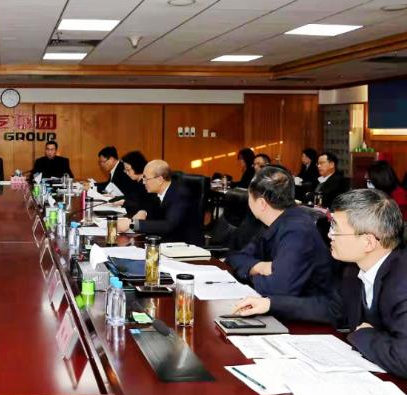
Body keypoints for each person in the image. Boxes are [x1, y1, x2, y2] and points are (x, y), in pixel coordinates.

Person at [236, 189, 407, 378]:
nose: (330, 235)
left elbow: (403, 358)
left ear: (368, 243)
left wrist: (365, 335)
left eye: (336, 229)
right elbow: (333, 309)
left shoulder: (402, 280)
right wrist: (270, 304)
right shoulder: (353, 269)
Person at [226, 166, 336, 322]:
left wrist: (249, 275)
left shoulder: (296, 230)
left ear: (261, 203)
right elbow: (236, 257)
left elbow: (279, 289)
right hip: (282, 309)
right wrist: (259, 267)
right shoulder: (274, 221)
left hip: (309, 317)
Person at [117, 160, 203, 245]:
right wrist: (143, 212)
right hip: (165, 241)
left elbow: (168, 225)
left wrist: (132, 224)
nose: (143, 182)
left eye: (146, 178)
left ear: (160, 179)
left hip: (184, 246)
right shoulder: (158, 192)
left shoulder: (180, 195)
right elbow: (149, 207)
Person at [119, 151, 159, 218]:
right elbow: (132, 197)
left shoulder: (147, 184)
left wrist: (125, 202)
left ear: (136, 166)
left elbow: (142, 205)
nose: (127, 173)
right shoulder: (136, 181)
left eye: (128, 170)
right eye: (125, 170)